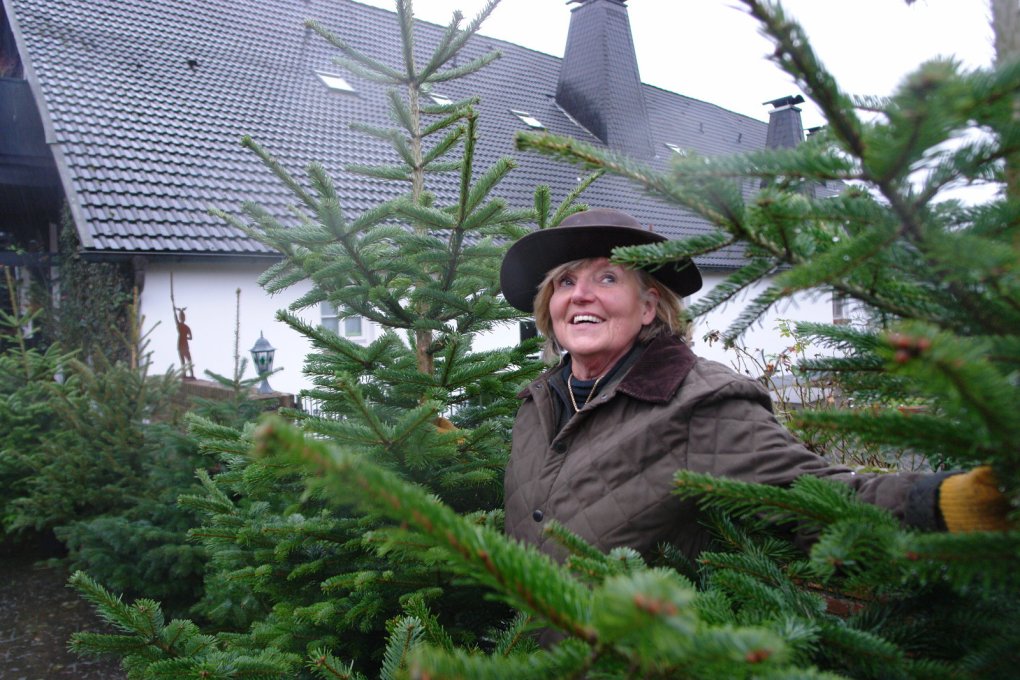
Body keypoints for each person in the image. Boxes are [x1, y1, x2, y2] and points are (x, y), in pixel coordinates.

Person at [499, 207, 1008, 563]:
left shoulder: (699, 402)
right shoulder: (538, 403)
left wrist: (945, 502)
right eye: (566, 282)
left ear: (649, 306)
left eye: (608, 278)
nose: (580, 295)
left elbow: (814, 500)